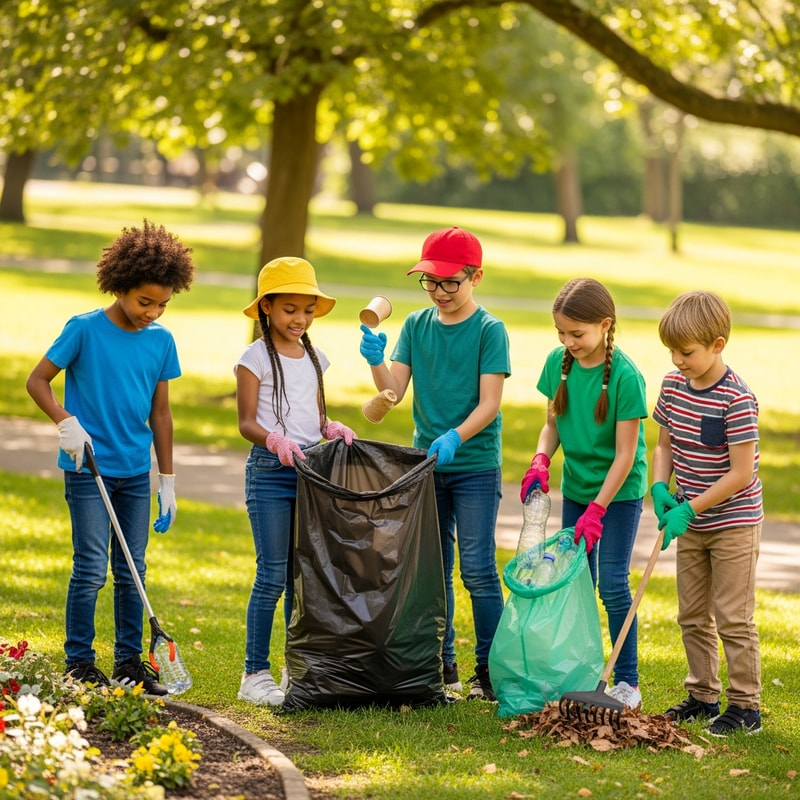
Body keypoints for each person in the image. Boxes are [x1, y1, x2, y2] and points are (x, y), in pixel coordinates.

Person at [26, 220, 196, 695]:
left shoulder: (161, 340)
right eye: (145, 301)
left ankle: (128, 664)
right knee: (89, 567)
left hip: (135, 474)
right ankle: (79, 662)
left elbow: (160, 414)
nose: (153, 311)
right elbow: (37, 381)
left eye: (162, 303)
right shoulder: (83, 330)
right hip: (88, 469)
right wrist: (65, 422)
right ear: (119, 286)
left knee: (132, 570)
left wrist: (168, 479)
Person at [359, 226, 510, 701]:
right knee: (433, 570)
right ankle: (442, 667)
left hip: (475, 466)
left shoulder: (490, 330)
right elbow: (393, 393)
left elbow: (489, 405)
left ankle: (491, 670)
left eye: (451, 283)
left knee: (478, 570)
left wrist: (455, 436)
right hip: (426, 466)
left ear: (476, 277)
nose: (440, 292)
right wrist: (375, 361)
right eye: (431, 282)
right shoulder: (417, 327)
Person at [519, 277, 648, 709]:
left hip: (618, 493)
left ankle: (627, 681)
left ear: (605, 325)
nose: (567, 341)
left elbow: (626, 456)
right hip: (576, 489)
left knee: (611, 583)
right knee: (576, 583)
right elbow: (552, 425)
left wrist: (599, 509)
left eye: (577, 333)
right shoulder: (560, 362)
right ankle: (583, 667)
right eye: (561, 332)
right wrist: (541, 459)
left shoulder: (626, 377)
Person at [235, 256, 357, 706]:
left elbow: (315, 415)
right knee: (271, 575)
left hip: (311, 475)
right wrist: (274, 441)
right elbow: (246, 422)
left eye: (306, 309)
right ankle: (254, 673)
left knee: (302, 576)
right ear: (267, 307)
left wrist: (331, 429)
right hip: (270, 474)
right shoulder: (253, 358)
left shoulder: (314, 356)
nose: (299, 319)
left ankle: (296, 667)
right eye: (289, 309)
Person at [651, 290, 763, 736]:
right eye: (672, 351)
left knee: (733, 616)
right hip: (688, 517)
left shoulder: (736, 399)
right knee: (692, 613)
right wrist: (661, 486)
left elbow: (740, 473)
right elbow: (664, 445)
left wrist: (690, 508)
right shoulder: (673, 386)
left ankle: (746, 706)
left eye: (687, 352)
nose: (678, 360)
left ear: (718, 344)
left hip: (732, 522)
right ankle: (702, 693)